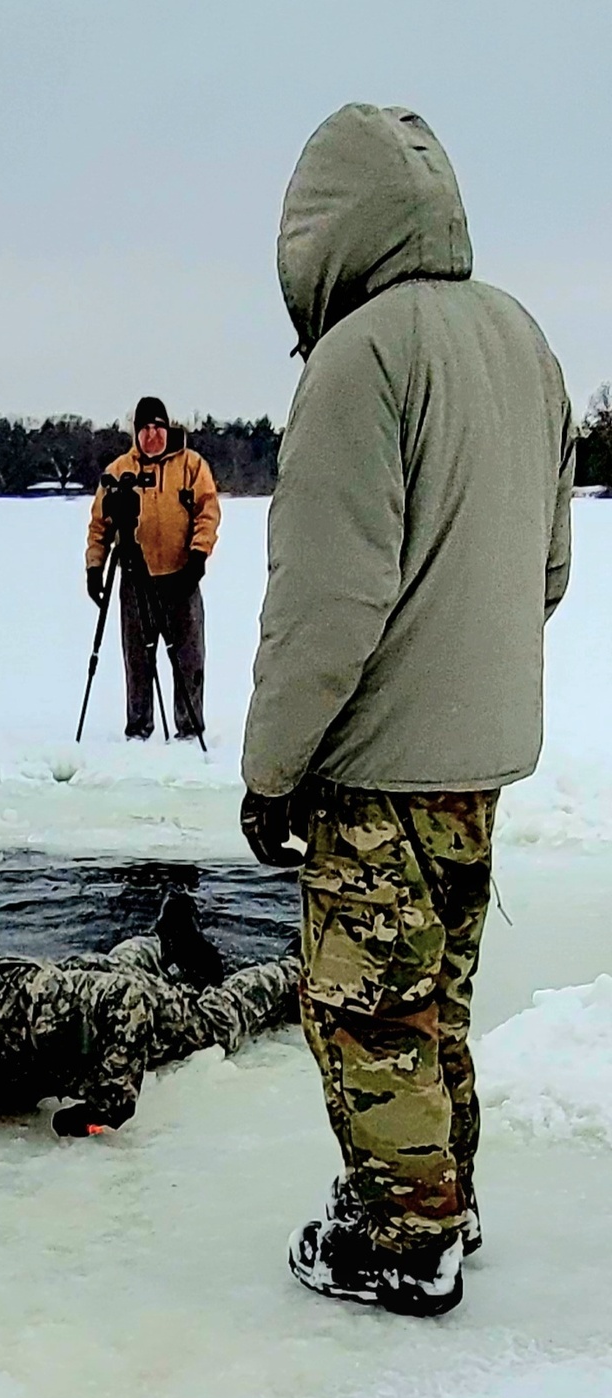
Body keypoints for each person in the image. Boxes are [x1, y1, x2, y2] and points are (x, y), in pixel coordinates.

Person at [240, 105, 575, 1317]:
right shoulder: (521, 341)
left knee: (368, 1005)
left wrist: (273, 770)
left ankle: (402, 1236)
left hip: (376, 760)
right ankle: (449, 1194)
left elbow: (326, 604)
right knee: (438, 994)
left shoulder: (362, 357)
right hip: (475, 758)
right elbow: (546, 569)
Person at [0, 892, 298, 1132]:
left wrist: (111, 1099)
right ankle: (165, 941)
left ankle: (293, 967)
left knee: (210, 1021)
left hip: (104, 1009)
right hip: (81, 984)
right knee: (110, 969)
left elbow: (125, 1003)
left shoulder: (20, 1005)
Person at [85, 396, 220, 740]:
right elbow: (100, 526)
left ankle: (189, 732)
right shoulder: (118, 471)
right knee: (138, 662)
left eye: (157, 427)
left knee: (189, 659)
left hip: (181, 578)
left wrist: (198, 556)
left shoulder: (191, 465)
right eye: (144, 429)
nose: (151, 436)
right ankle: (138, 731)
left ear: (167, 428)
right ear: (136, 433)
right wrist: (94, 568)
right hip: (134, 581)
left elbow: (208, 511)